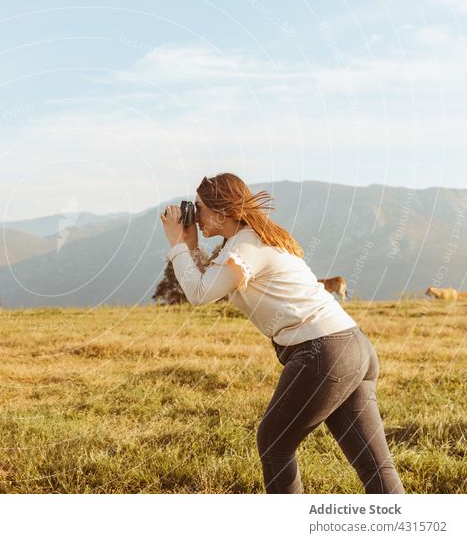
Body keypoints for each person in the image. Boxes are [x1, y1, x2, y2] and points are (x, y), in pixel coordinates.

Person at [160, 173, 404, 494]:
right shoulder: (251, 240)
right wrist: (190, 244)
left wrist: (178, 244)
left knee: (274, 443)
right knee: (374, 464)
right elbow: (209, 283)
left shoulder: (246, 245)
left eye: (200, 207)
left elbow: (199, 292)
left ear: (222, 212)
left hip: (323, 352)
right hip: (352, 345)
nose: (195, 213)